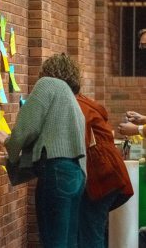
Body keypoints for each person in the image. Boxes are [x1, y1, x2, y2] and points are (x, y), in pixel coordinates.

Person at [0, 53, 87, 247]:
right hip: (78, 175)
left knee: (53, 242)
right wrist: (6, 161)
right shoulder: (70, 99)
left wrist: (9, 142)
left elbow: (27, 127)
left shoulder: (48, 84)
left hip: (57, 174)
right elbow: (48, 149)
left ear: (49, 70)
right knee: (68, 241)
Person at [76, 95, 133, 248]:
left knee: (91, 231)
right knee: (96, 229)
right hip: (112, 174)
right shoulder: (87, 104)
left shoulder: (76, 107)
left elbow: (82, 144)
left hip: (101, 177)